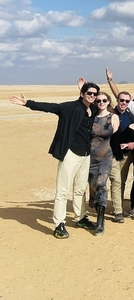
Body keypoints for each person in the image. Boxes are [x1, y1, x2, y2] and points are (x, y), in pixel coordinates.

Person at [10, 83, 101, 238]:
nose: (92, 96)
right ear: (82, 94)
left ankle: (80, 218)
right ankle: (59, 224)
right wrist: (28, 103)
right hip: (70, 153)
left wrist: (83, 89)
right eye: (89, 93)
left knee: (80, 189)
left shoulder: (92, 109)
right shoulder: (71, 107)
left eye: (94, 94)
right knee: (63, 191)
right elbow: (52, 107)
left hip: (85, 154)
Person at [88, 92, 120, 236]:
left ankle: (100, 222)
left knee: (101, 185)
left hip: (106, 157)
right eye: (98, 100)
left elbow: (116, 136)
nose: (101, 102)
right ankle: (94, 200)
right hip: (90, 158)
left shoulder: (113, 117)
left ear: (108, 102)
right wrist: (82, 90)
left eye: (104, 100)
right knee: (93, 186)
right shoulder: (90, 117)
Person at [109, 90, 134, 223]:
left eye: (127, 101)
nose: (124, 103)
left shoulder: (130, 116)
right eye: (121, 100)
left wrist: (133, 144)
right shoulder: (109, 114)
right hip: (111, 154)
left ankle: (117, 208)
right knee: (116, 181)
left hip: (126, 155)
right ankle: (117, 210)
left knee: (122, 181)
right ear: (117, 100)